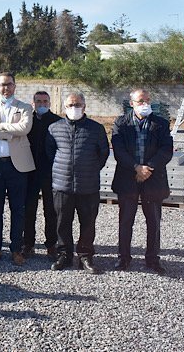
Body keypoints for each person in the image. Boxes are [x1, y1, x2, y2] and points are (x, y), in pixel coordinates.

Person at [111, 89, 174, 275]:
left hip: (153, 179)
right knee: (125, 221)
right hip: (127, 178)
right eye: (140, 101)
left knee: (153, 222)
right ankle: (123, 258)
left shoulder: (161, 123)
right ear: (131, 103)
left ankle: (153, 260)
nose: (144, 104)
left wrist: (148, 168)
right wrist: (136, 168)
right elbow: (119, 150)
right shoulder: (121, 123)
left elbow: (166, 150)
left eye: (147, 100)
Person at [46, 92, 109, 274]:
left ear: (84, 106)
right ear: (64, 107)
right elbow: (50, 153)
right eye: (70, 105)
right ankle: (64, 255)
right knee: (62, 222)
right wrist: (63, 169)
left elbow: (103, 153)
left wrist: (89, 168)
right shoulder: (54, 128)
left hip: (88, 185)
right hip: (62, 185)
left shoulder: (96, 129)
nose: (74, 108)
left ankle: (85, 256)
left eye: (78, 104)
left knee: (88, 222)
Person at [0, 72, 34, 266]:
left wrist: (0, 128)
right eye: (2, 85)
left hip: (17, 165)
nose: (5, 88)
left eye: (9, 85)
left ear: (14, 86)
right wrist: (11, 131)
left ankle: (16, 249)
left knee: (18, 209)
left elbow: (25, 128)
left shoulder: (25, 107)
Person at [22, 91, 61, 258]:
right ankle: (28, 243)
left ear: (50, 103)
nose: (42, 104)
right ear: (33, 103)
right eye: (38, 101)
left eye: (45, 101)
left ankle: (51, 244)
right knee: (28, 209)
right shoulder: (26, 120)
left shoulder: (57, 122)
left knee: (50, 210)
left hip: (50, 171)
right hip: (29, 170)